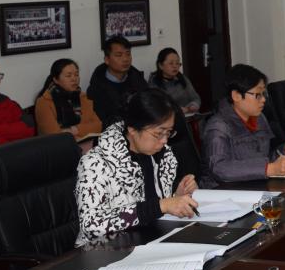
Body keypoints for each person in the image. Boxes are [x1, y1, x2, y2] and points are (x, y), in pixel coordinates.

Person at [75, 89, 199, 246]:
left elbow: (151, 209)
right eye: (158, 133)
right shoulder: (94, 163)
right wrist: (162, 205)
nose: (164, 141)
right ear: (132, 129)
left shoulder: (158, 155)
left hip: (147, 241)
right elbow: (90, 225)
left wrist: (176, 196)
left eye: (168, 132)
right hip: (105, 250)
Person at [200, 64, 285, 184]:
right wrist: (268, 169)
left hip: (254, 185)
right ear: (236, 96)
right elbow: (220, 169)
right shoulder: (218, 126)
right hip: (222, 190)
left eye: (264, 94)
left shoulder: (259, 118)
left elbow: (265, 159)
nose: (263, 100)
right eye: (258, 95)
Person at [33, 58, 102, 151]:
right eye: (68, 76)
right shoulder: (44, 102)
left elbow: (98, 125)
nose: (74, 79)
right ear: (56, 80)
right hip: (57, 150)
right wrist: (84, 130)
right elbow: (55, 136)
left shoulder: (82, 97)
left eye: (76, 75)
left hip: (86, 146)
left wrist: (75, 130)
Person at [87, 35, 147, 126]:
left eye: (128, 54)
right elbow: (102, 121)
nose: (125, 59)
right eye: (119, 55)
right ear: (107, 60)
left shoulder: (138, 80)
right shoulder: (96, 88)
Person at [147, 47, 201, 113]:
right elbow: (156, 108)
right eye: (171, 63)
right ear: (160, 65)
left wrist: (190, 108)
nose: (175, 66)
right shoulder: (154, 84)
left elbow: (196, 98)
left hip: (189, 114)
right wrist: (178, 111)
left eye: (177, 63)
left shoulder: (182, 78)